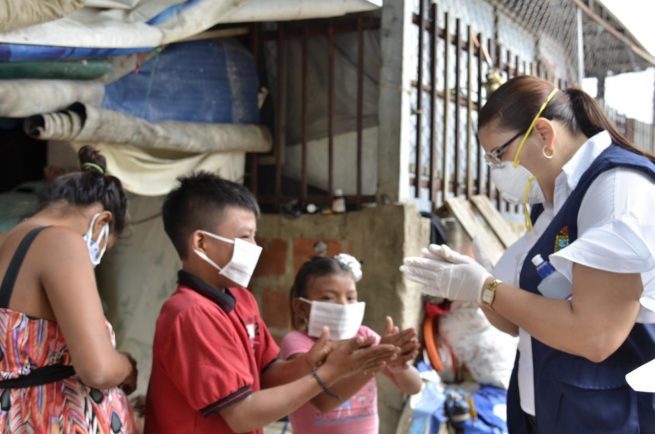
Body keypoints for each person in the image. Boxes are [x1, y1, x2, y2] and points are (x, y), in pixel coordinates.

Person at [401, 75, 655, 433]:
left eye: (498, 154)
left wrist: (487, 289)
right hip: (551, 408)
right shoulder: (553, 202)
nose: (495, 169)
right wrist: (472, 284)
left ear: (543, 134)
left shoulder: (615, 191)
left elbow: (596, 336)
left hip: (609, 415)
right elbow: (516, 319)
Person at [145, 172, 400, 434]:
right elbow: (242, 415)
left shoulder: (241, 298)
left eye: (255, 236)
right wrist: (328, 373)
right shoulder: (190, 313)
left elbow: (267, 374)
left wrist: (311, 362)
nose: (255, 246)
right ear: (201, 242)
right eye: (245, 237)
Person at [0, 146, 137, 433]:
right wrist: (127, 367)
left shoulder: (6, 240)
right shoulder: (62, 243)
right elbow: (97, 369)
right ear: (102, 221)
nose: (95, 259)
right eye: (105, 248)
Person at [282, 254, 422, 434]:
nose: (343, 305)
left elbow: (413, 387)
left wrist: (397, 365)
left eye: (350, 298)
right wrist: (376, 361)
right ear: (302, 307)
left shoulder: (364, 336)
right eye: (328, 298)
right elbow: (324, 401)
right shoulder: (297, 343)